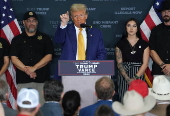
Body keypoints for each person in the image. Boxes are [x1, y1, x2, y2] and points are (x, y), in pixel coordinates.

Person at [10, 11, 53, 104]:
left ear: (37, 22)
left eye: (34, 20)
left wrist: (34, 68)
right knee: (24, 109)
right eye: (28, 21)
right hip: (23, 80)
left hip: (42, 80)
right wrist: (28, 71)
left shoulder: (45, 38)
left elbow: (49, 56)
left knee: (42, 109)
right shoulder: (16, 39)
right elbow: (14, 58)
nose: (31, 23)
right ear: (24, 22)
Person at [54, 3, 106, 80]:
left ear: (86, 16)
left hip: (89, 72)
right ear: (71, 17)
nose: (78, 19)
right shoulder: (66, 29)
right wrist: (64, 23)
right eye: (75, 16)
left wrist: (93, 66)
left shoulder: (95, 32)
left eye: (81, 15)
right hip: (68, 71)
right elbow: (58, 40)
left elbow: (102, 53)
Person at [115, 18, 149, 102]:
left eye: (134, 26)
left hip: (138, 74)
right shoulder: (120, 44)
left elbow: (145, 64)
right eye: (129, 26)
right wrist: (127, 79)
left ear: (137, 28)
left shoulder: (144, 44)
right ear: (125, 28)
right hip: (124, 75)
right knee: (124, 99)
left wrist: (135, 78)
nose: (131, 28)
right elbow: (119, 64)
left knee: (139, 99)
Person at [149, 0, 170, 81]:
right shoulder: (155, 30)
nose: (166, 13)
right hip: (159, 72)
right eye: (164, 11)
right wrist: (164, 66)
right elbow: (152, 51)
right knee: (158, 94)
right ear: (161, 13)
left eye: (169, 11)